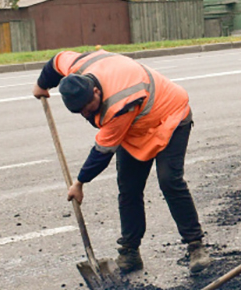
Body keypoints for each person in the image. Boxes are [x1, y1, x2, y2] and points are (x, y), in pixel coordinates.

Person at [33, 49, 213, 275]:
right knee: (129, 188)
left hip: (169, 117)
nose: (88, 114)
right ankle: (130, 252)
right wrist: (42, 85)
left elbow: (102, 152)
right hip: (135, 128)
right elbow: (56, 61)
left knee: (169, 180)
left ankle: (195, 245)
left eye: (91, 108)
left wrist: (79, 183)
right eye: (82, 112)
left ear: (96, 91)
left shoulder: (119, 103)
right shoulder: (78, 69)